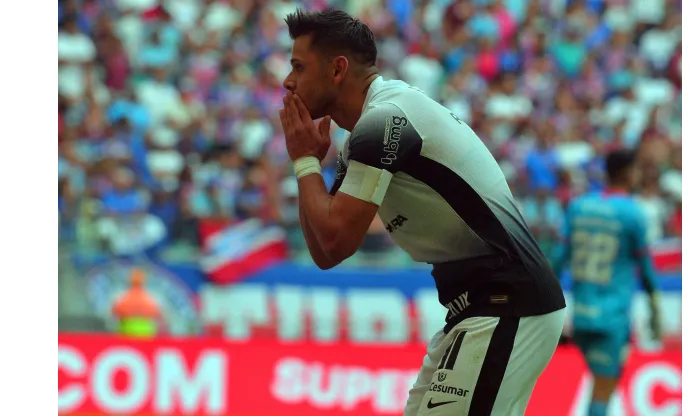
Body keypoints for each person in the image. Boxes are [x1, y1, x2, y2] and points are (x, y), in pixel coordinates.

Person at [278, 9, 566, 416]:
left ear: (338, 68)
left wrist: (305, 161)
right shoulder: (369, 130)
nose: (288, 81)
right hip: (481, 306)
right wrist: (305, 163)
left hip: (506, 303)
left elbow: (335, 240)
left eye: (298, 66)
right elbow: (326, 253)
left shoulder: (385, 121)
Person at [556, 149, 662, 416]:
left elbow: (556, 262)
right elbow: (647, 271)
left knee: (602, 384)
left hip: (580, 315)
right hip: (611, 317)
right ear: (628, 173)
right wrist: (655, 309)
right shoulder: (634, 214)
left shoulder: (578, 207)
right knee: (604, 389)